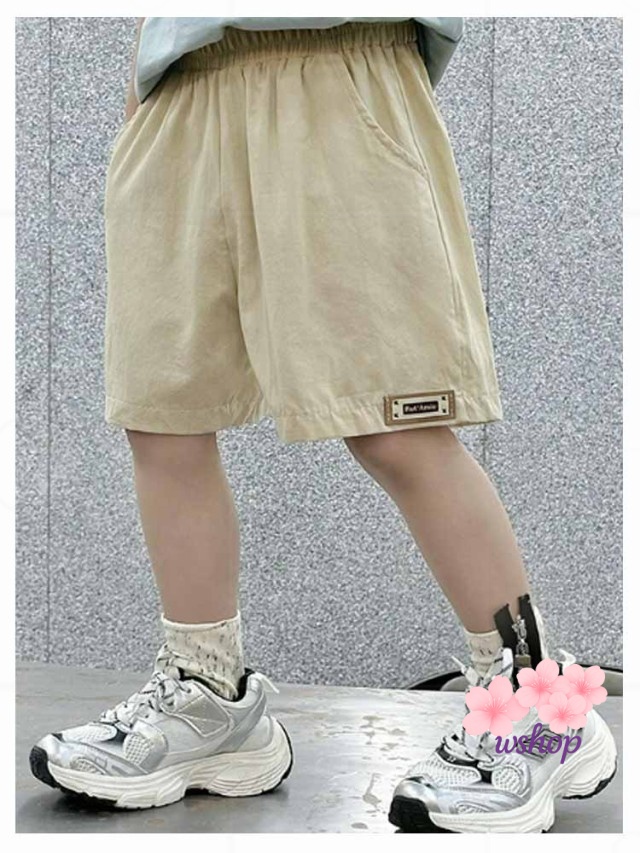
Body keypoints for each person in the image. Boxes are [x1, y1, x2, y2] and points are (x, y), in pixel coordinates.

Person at [29, 17, 616, 832]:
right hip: (179, 94)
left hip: (338, 71)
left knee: (394, 421)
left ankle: (536, 707)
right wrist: (143, 80)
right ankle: (207, 695)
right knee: (162, 417)